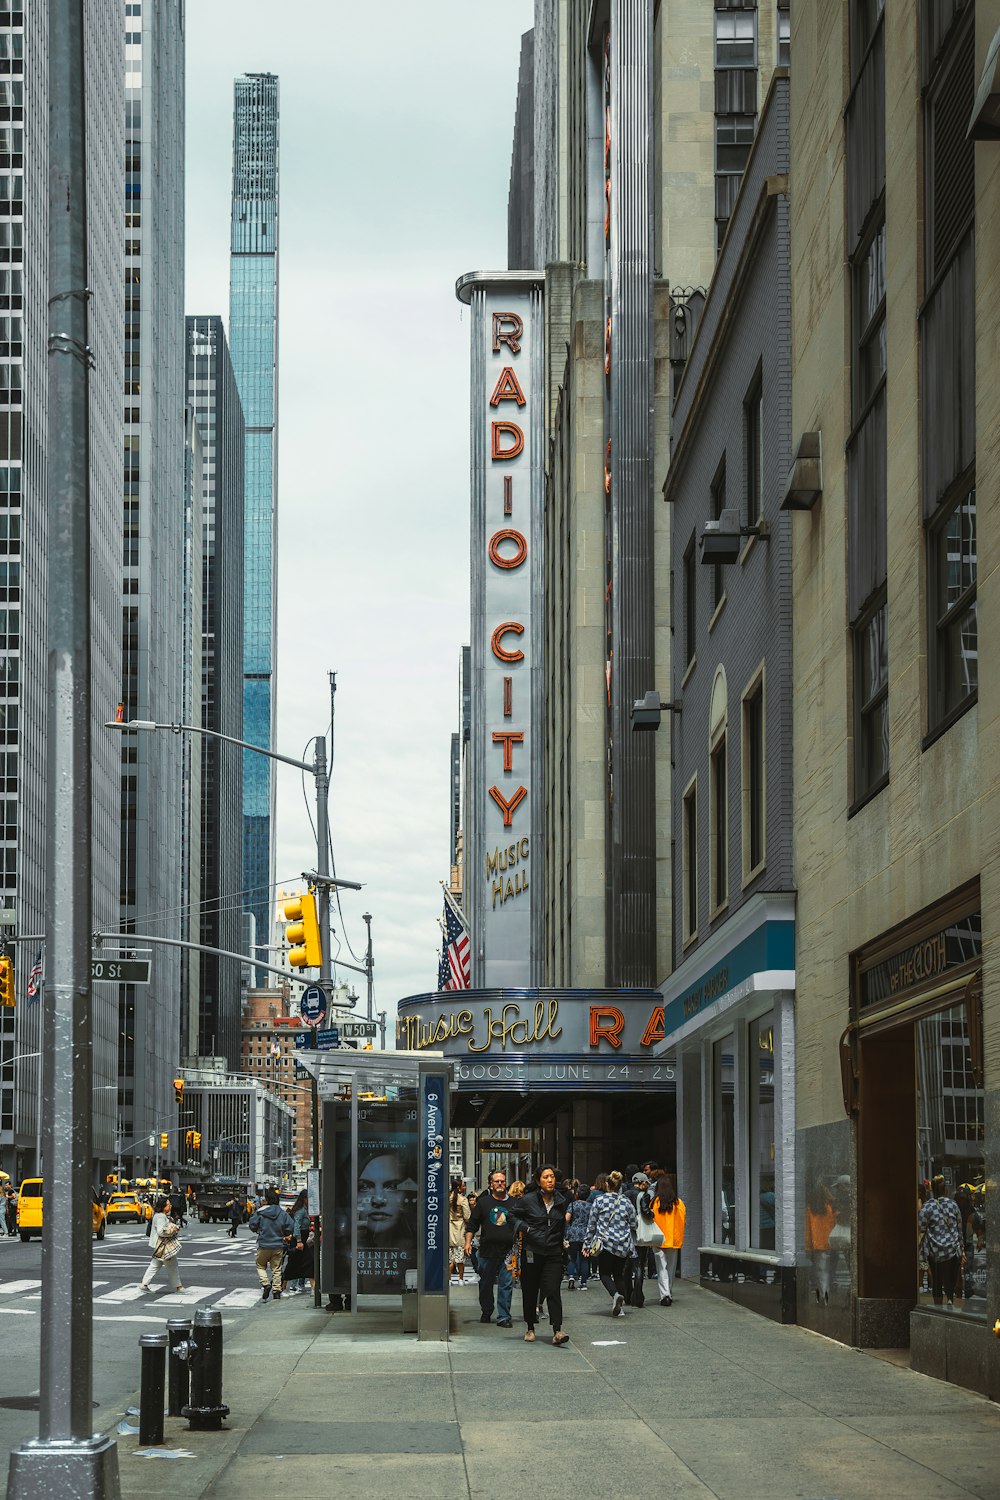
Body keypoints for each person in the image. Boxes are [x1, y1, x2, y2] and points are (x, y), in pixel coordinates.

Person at [507, 1164, 571, 1346]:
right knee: (530, 1290)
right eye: (545, 1177)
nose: (550, 1180)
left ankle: (557, 1330)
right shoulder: (528, 1200)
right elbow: (511, 1216)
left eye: (552, 1177)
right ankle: (530, 1327)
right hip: (532, 1252)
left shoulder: (561, 1200)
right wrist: (526, 1228)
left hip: (553, 1253)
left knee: (552, 1289)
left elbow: (561, 1226)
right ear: (538, 1181)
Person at [465, 1169, 515, 1327]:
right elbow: (472, 1225)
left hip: (508, 1251)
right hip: (487, 1251)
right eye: (497, 1181)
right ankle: (487, 1310)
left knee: (506, 1283)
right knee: (486, 1283)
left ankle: (504, 1316)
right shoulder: (483, 1203)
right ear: (491, 1184)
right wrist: (467, 1243)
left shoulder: (514, 1203)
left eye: (502, 1181)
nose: (500, 1184)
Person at [584, 1170, 637, 1318]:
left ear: (607, 1185)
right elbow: (634, 1223)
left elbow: (592, 1224)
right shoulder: (626, 1202)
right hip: (623, 1244)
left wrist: (587, 1243)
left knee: (604, 1273)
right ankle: (620, 1306)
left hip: (606, 1243)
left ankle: (615, 1296)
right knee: (618, 1275)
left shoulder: (599, 1200)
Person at [918, 1174, 964, 1308]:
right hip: (952, 1248)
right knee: (951, 1280)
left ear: (932, 1189)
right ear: (945, 1190)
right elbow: (959, 1229)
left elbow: (920, 1227)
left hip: (935, 1251)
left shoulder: (927, 1207)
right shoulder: (953, 1205)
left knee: (937, 1281)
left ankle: (939, 1309)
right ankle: (953, 1302)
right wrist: (961, 1248)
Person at [645, 1174, 686, 1306]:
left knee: (661, 1267)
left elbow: (650, 1220)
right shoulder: (679, 1203)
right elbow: (683, 1221)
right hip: (673, 1239)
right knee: (671, 1268)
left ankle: (665, 1294)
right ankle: (669, 1292)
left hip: (658, 1239)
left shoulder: (655, 1203)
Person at [249, 1186, 295, 1302]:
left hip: (264, 1243)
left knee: (260, 1265)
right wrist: (283, 1233)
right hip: (278, 1244)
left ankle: (265, 1284)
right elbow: (290, 1227)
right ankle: (276, 1291)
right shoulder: (282, 1213)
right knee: (276, 1268)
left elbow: (252, 1225)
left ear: (267, 1200)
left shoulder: (261, 1212)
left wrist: (258, 1229)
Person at [138, 1195, 186, 1294]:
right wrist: (173, 1228)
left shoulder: (158, 1215)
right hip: (164, 1245)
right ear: (163, 1206)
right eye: (168, 1205)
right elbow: (161, 1231)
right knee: (172, 1265)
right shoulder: (160, 1217)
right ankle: (179, 1287)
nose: (170, 1206)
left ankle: (144, 1284)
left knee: (155, 1264)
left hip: (160, 1245)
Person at [805, 1180, 837, 1305]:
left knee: (820, 1270)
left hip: (816, 1244)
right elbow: (834, 1224)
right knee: (828, 1270)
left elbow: (807, 1229)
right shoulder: (829, 1208)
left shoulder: (810, 1209)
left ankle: (823, 1294)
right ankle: (825, 1294)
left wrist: (808, 1246)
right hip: (829, 1243)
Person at [283, 1188, 312, 1295]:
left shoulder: (304, 1209)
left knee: (308, 1263)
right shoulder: (301, 1211)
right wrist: (299, 1241)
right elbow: (296, 1225)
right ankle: (283, 1286)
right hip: (299, 1240)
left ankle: (311, 1288)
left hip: (303, 1239)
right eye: (309, 1198)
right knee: (294, 1263)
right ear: (304, 1199)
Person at [628, 1172, 651, 1306]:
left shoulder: (625, 1194)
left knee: (627, 1266)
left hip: (627, 1234)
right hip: (639, 1234)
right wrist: (652, 1214)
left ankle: (627, 1293)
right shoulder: (643, 1195)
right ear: (642, 1182)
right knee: (639, 1265)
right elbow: (646, 1212)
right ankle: (637, 1297)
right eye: (646, 1183)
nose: (647, 1185)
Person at [565, 1183, 592, 1290]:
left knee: (572, 1257)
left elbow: (567, 1219)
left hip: (573, 1233)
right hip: (586, 1234)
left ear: (577, 1194)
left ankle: (571, 1276)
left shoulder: (573, 1205)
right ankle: (584, 1283)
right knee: (585, 1259)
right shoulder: (591, 1206)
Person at [449, 1177, 470, 1284]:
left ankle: (448, 1279)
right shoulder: (463, 1200)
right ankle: (460, 1279)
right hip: (460, 1230)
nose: (465, 1187)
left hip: (449, 1230)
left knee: (450, 1258)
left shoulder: (447, 1197)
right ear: (458, 1187)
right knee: (460, 1258)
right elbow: (467, 1216)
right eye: (463, 1185)